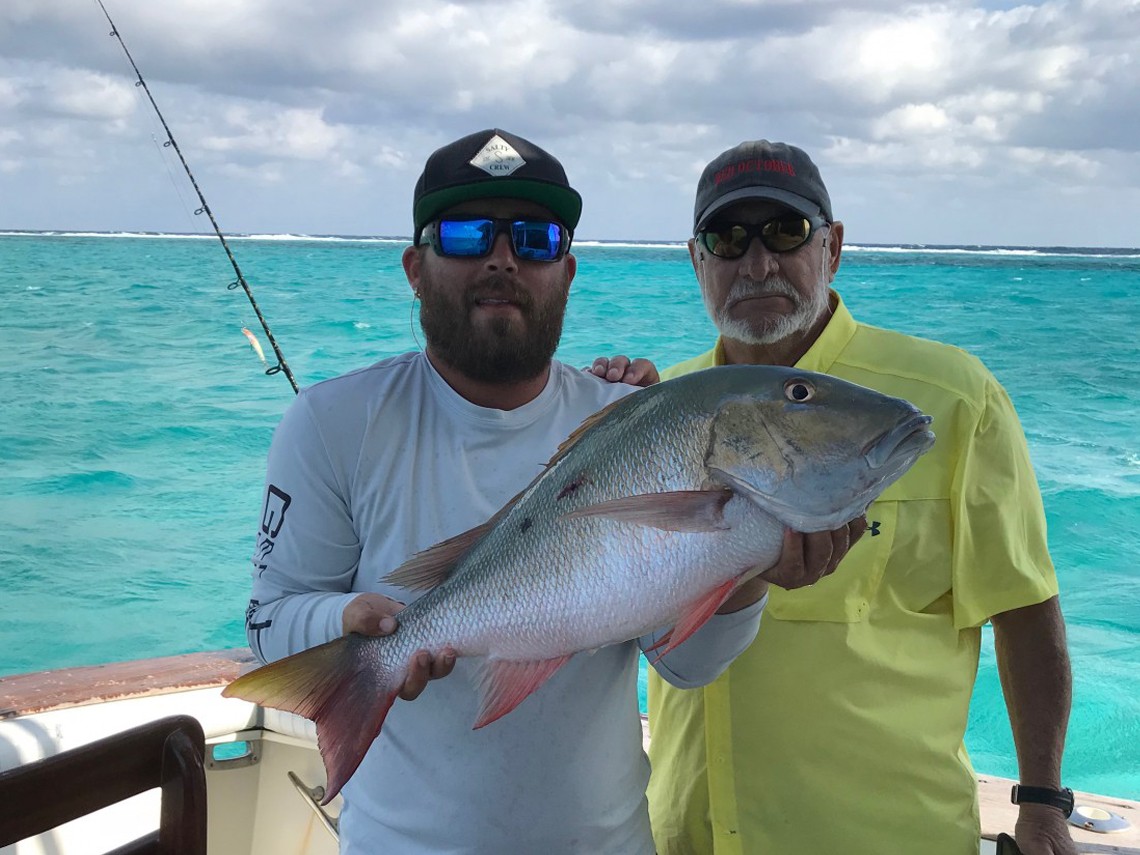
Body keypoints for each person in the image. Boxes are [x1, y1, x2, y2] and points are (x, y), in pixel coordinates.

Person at [240, 128, 853, 855]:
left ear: (565, 271)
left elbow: (687, 664)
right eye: (467, 234)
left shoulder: (626, 416)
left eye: (535, 238)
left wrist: (750, 568)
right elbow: (267, 620)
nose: (503, 257)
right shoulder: (331, 423)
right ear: (414, 266)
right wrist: (349, 621)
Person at [632, 140, 1076, 855]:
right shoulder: (660, 410)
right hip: (685, 832)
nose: (756, 263)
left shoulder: (950, 399)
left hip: (883, 834)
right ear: (696, 260)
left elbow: (1024, 608)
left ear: (832, 246)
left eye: (784, 231)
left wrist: (1044, 803)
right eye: (726, 238)